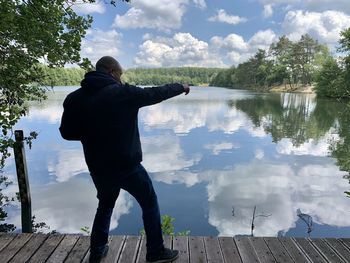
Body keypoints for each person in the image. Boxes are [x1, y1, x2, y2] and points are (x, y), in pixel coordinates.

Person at [59, 56, 190, 263]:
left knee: (105, 204)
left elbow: (66, 133)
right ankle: (155, 252)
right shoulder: (122, 93)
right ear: (112, 72)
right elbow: (155, 93)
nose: (121, 78)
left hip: (98, 167)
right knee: (149, 202)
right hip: (126, 166)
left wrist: (92, 132)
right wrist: (181, 86)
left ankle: (97, 250)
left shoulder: (74, 98)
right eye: (120, 74)